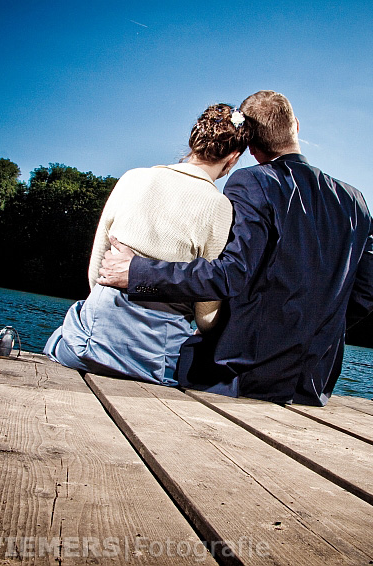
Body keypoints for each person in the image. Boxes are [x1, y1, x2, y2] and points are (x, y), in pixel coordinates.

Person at [98, 90, 373, 406]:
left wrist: (136, 270)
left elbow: (230, 275)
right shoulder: (355, 200)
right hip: (313, 383)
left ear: (250, 147)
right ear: (296, 127)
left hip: (242, 376)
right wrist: (312, 333)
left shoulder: (252, 183)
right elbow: (369, 294)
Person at [43, 103, 249, 385]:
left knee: (59, 340)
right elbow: (206, 315)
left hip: (90, 341)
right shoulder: (220, 206)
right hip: (152, 357)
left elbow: (96, 272)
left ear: (194, 140)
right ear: (233, 157)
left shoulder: (133, 178)